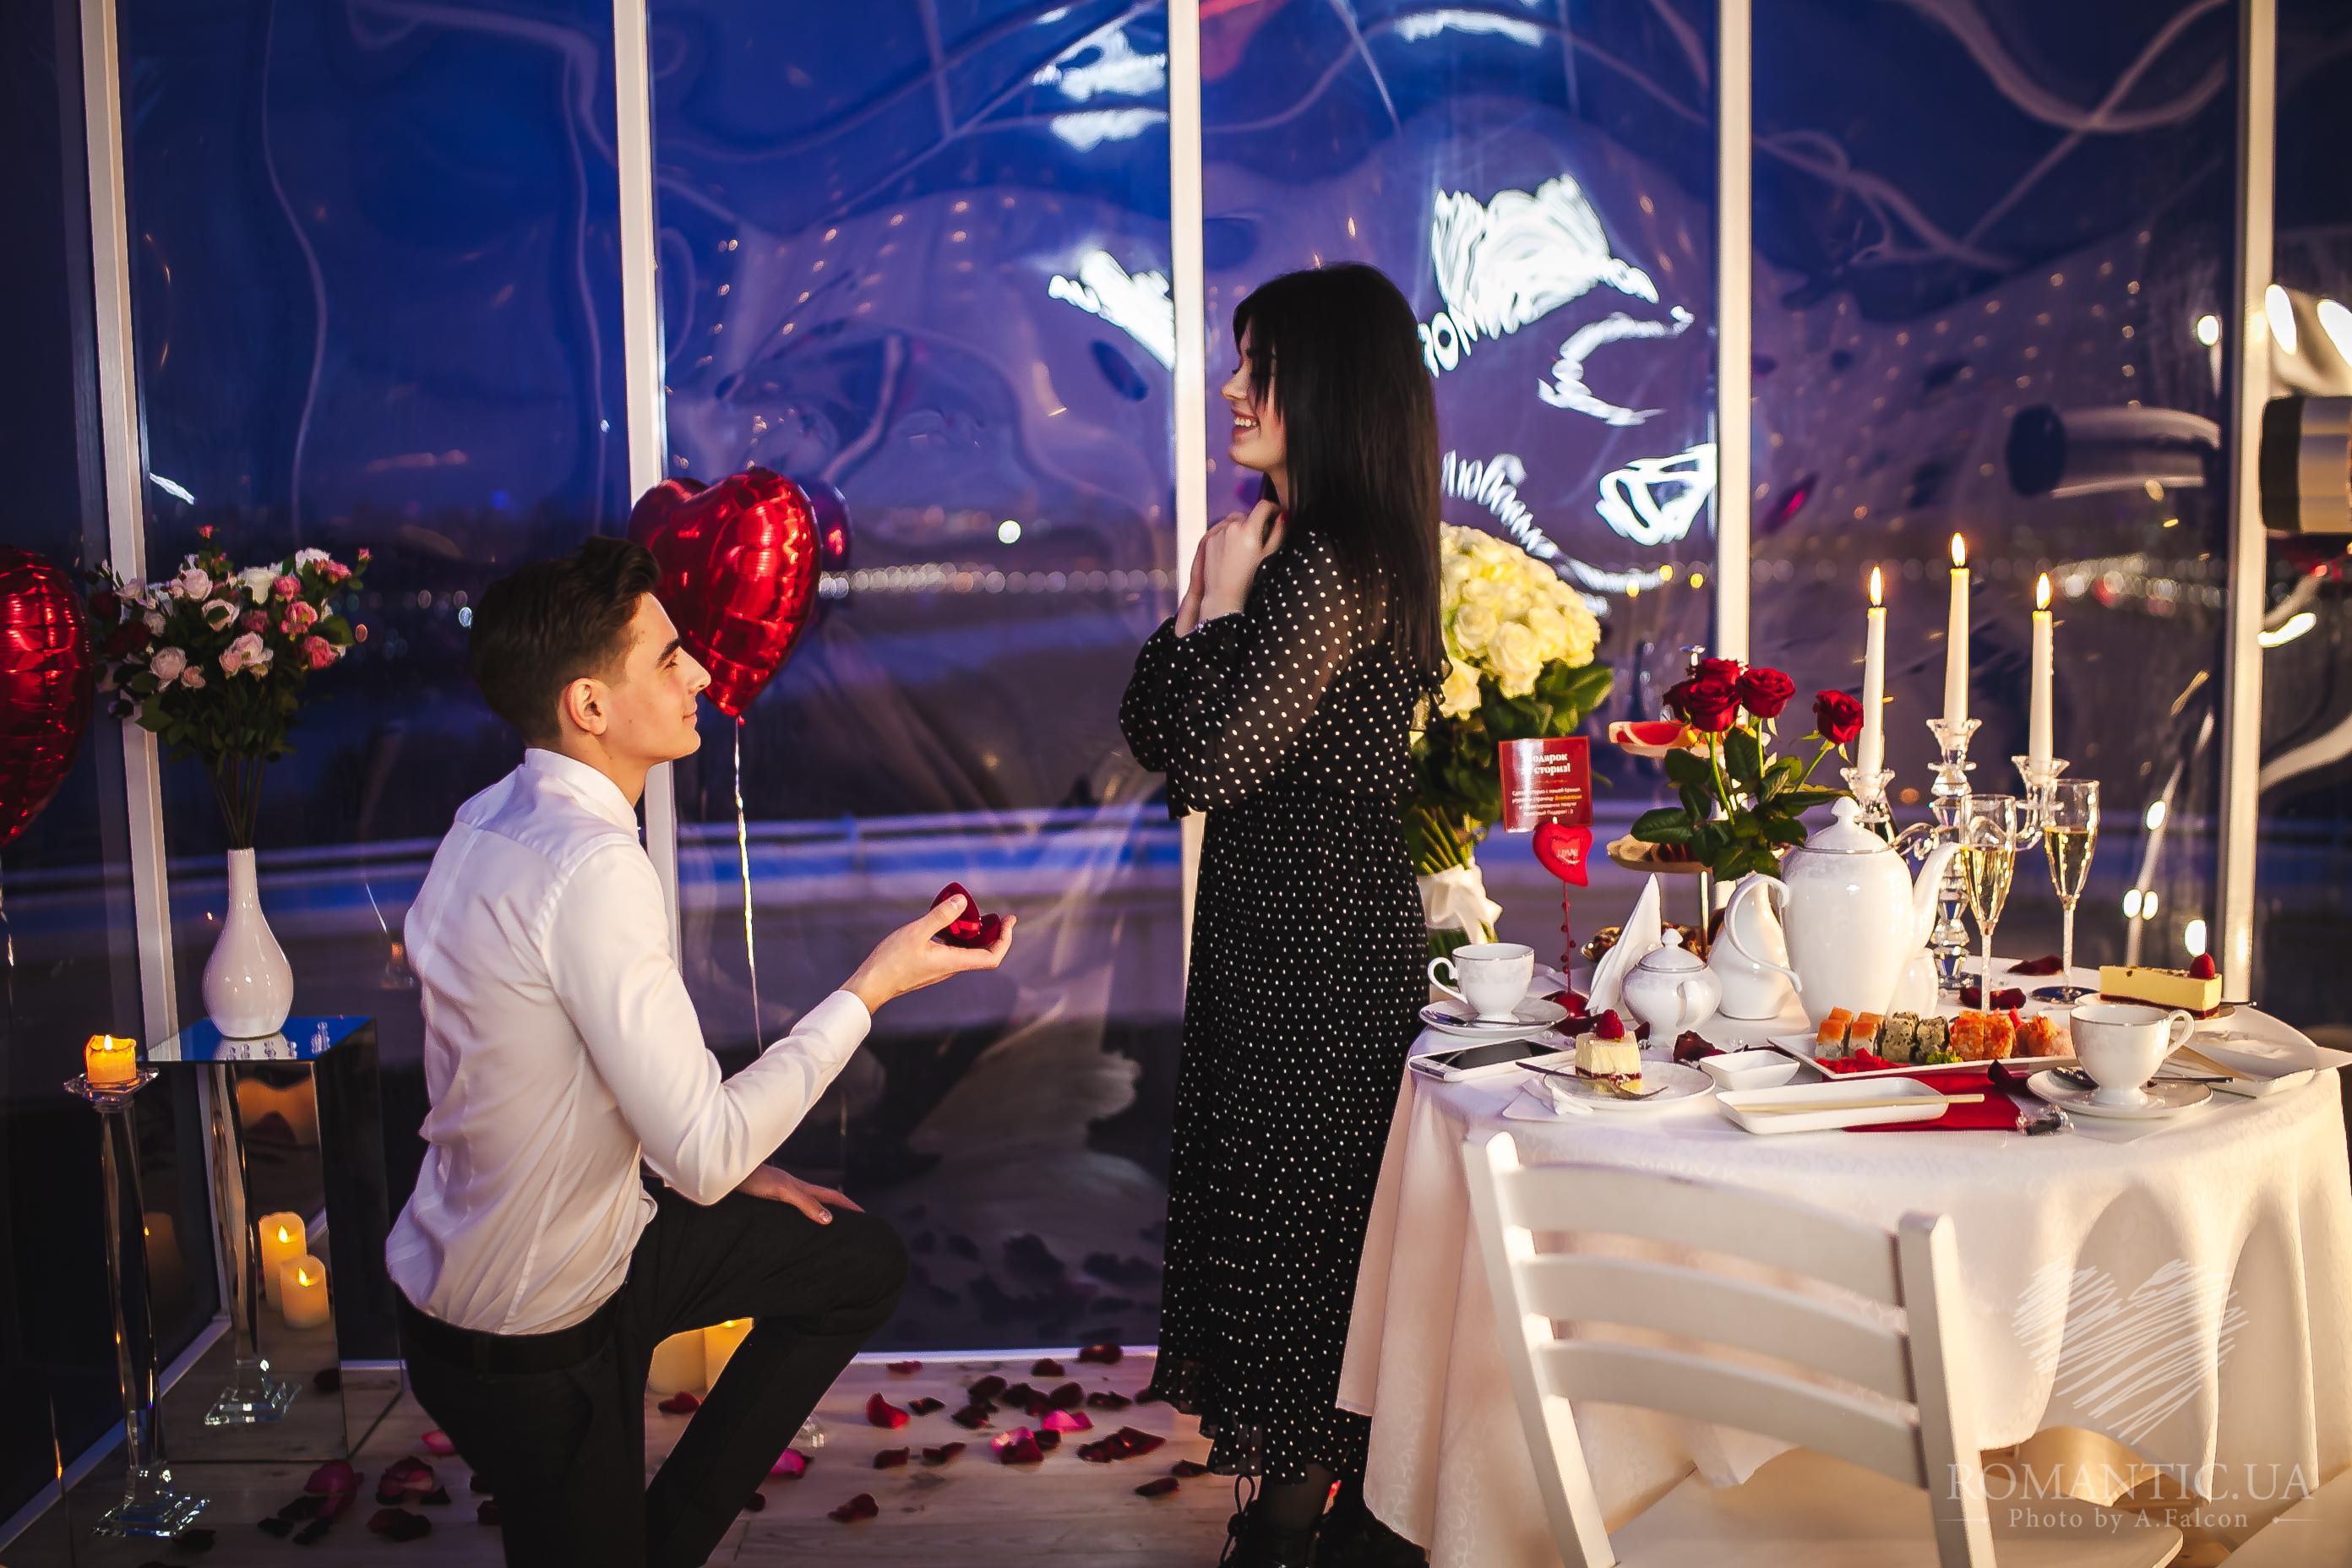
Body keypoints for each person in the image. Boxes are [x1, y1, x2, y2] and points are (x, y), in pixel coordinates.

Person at [387, 536, 1015, 1568]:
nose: (702, 676)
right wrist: (874, 986)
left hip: (541, 1257)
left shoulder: (490, 815)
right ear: (590, 705)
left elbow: (543, 1073)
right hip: (531, 1335)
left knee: (854, 1260)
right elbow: (708, 1151)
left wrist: (729, 1165)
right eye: (670, 657)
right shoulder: (592, 863)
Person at [1119, 264, 1440, 1568]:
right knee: (1313, 1243)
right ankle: (1322, 1520)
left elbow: (1206, 763)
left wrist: (1222, 606)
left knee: (1307, 1248)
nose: (1232, 389)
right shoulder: (1313, 553)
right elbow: (1158, 727)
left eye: (1261, 369)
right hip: (1297, 940)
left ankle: (1302, 1528)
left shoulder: (1326, 566)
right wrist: (1209, 600)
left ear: (1332, 387)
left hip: (1313, 953)